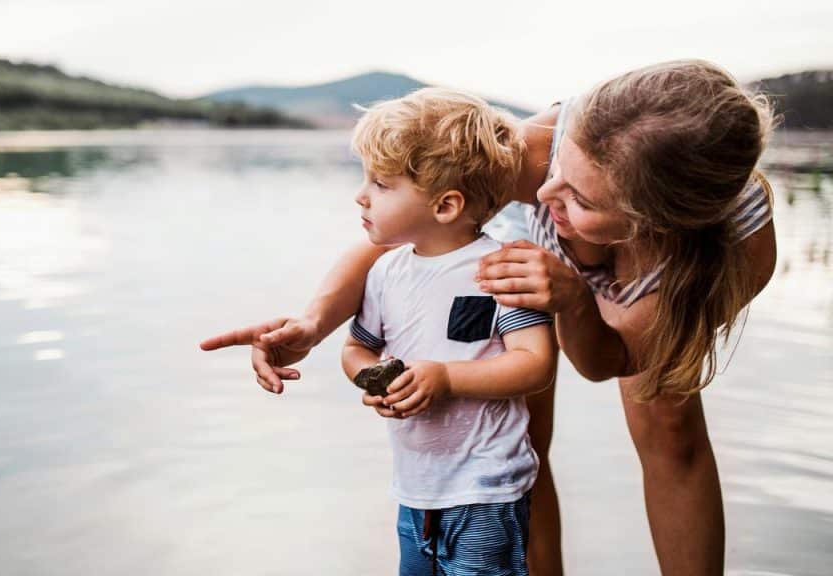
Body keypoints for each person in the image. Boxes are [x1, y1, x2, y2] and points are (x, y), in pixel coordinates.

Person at [200, 60, 778, 576]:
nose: (543, 193)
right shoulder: (550, 155)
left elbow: (611, 361)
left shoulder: (719, 253)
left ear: (645, 222)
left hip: (661, 276)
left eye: (579, 199)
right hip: (540, 245)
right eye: (558, 169)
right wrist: (312, 323)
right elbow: (401, 241)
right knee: (517, 438)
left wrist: (574, 300)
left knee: (667, 426)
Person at [341, 88, 555, 575]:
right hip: (416, 488)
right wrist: (369, 378)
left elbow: (534, 363)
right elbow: (357, 348)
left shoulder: (503, 268)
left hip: (486, 488)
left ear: (445, 205)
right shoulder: (385, 272)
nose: (361, 194)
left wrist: (446, 377)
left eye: (381, 184)